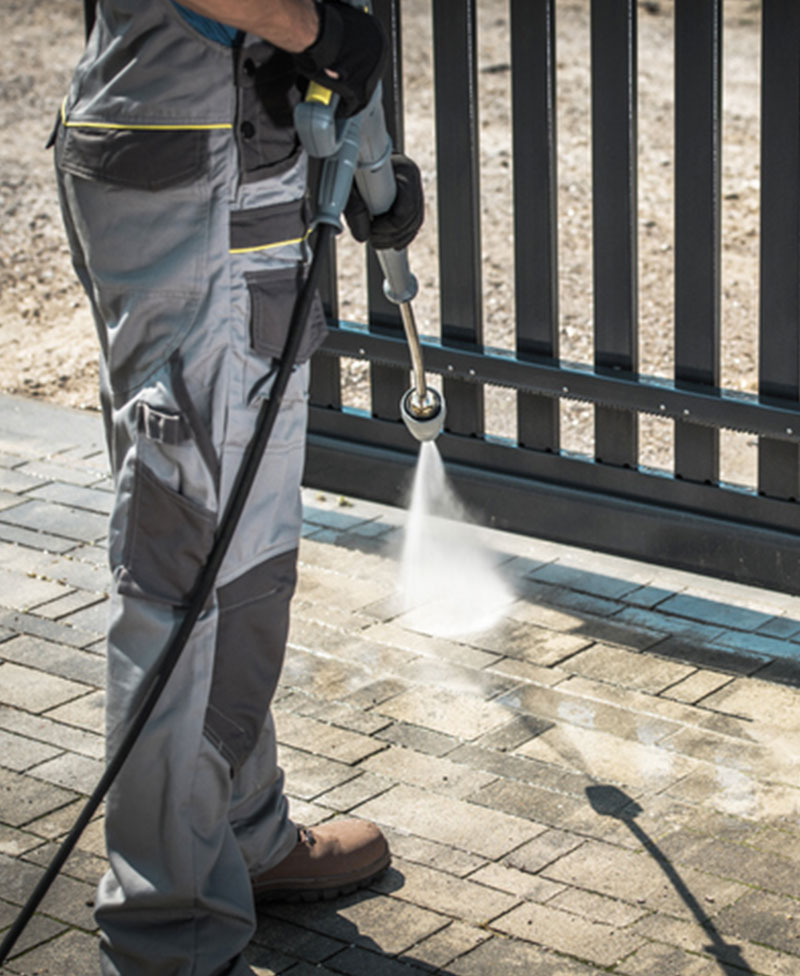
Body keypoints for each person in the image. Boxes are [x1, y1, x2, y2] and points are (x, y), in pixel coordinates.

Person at [52, 2, 424, 973]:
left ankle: (238, 830)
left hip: (196, 151)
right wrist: (314, 31)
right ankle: (167, 924)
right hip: (203, 168)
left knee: (238, 546)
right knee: (185, 563)